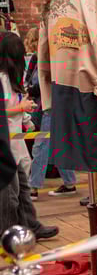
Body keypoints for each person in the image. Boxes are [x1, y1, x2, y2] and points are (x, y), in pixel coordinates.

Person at [0, 32, 59, 240]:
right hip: (5, 145)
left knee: (23, 189)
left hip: (14, 144)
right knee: (9, 195)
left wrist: (26, 117)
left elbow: (15, 105)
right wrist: (21, 108)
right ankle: (8, 234)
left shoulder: (10, 79)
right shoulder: (2, 79)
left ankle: (30, 225)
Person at [23, 28, 78, 201]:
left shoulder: (47, 56)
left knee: (42, 145)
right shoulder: (54, 54)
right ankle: (69, 182)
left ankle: (33, 186)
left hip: (49, 104)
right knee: (57, 143)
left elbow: (40, 82)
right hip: (53, 102)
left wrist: (29, 91)